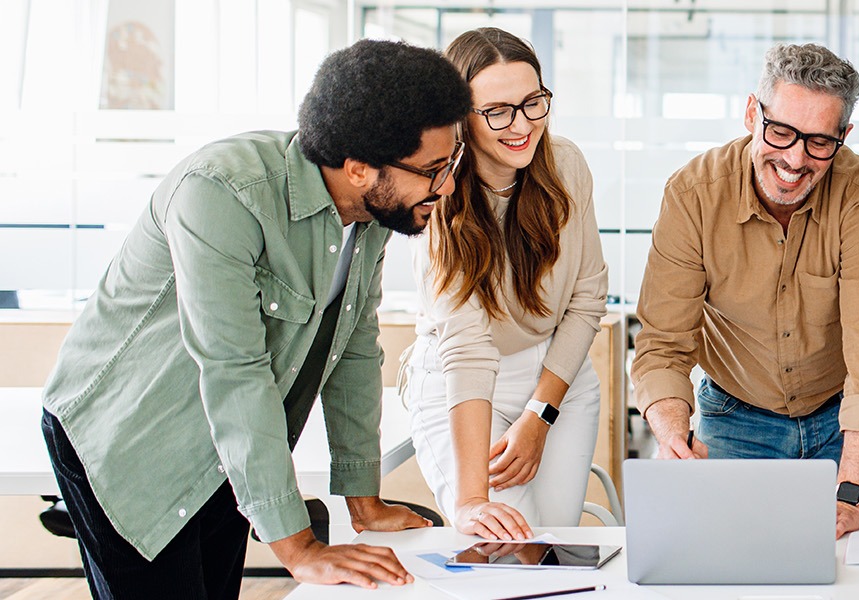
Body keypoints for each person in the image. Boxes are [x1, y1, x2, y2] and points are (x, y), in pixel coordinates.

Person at [39, 39, 471, 595]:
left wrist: (364, 501)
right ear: (360, 168)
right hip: (129, 440)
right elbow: (233, 370)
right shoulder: (223, 192)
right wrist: (300, 549)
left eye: (451, 163)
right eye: (434, 169)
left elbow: (354, 350)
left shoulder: (371, 215)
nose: (449, 185)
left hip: (226, 448)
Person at [628, 43, 859, 539]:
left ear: (844, 136)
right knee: (725, 562)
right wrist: (672, 436)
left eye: (819, 142)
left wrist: (853, 493)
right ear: (753, 112)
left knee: (841, 571)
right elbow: (662, 346)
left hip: (840, 418)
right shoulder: (692, 195)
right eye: (781, 132)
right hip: (733, 416)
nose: (796, 160)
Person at [405, 27, 608, 542]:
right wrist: (472, 500)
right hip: (466, 383)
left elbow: (586, 300)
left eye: (532, 102)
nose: (521, 126)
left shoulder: (565, 165)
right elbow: (468, 349)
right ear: (460, 120)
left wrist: (541, 413)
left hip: (556, 379)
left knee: (555, 547)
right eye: (497, 111)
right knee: (505, 546)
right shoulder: (439, 194)